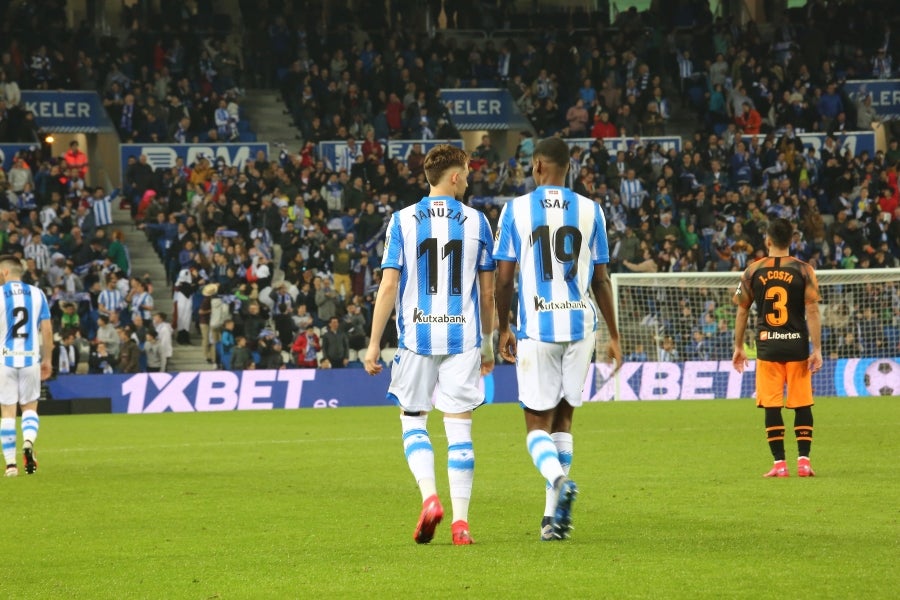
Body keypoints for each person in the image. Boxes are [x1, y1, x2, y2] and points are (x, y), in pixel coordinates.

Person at [363, 144, 495, 546]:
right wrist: (488, 344)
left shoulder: (402, 221)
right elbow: (487, 294)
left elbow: (388, 285)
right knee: (459, 429)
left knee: (413, 419)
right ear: (454, 177)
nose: (470, 178)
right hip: (464, 338)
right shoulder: (478, 222)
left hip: (417, 338)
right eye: (468, 172)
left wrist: (373, 345)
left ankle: (430, 498)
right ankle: (461, 524)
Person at [493, 137, 622, 541]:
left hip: (539, 328)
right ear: (570, 168)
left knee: (536, 425)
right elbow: (601, 280)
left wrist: (502, 327)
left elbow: (504, 278)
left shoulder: (516, 210)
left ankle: (559, 484)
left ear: (536, 168)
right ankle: (552, 519)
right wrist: (615, 335)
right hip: (581, 328)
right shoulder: (592, 210)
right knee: (563, 420)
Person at [732, 218, 822, 478]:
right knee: (802, 403)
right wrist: (816, 349)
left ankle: (779, 464)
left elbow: (742, 310)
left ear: (767, 240)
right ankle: (804, 462)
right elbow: (813, 310)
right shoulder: (804, 270)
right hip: (797, 347)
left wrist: (739, 346)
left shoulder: (752, 271)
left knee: (772, 405)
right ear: (792, 240)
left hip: (768, 348)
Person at [0, 255, 53, 477]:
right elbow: (47, 331)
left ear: (4, 273)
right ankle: (28, 441)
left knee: (7, 413)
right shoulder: (38, 294)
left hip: (5, 360)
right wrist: (48, 358)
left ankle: (11, 465)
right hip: (31, 359)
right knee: (29, 408)